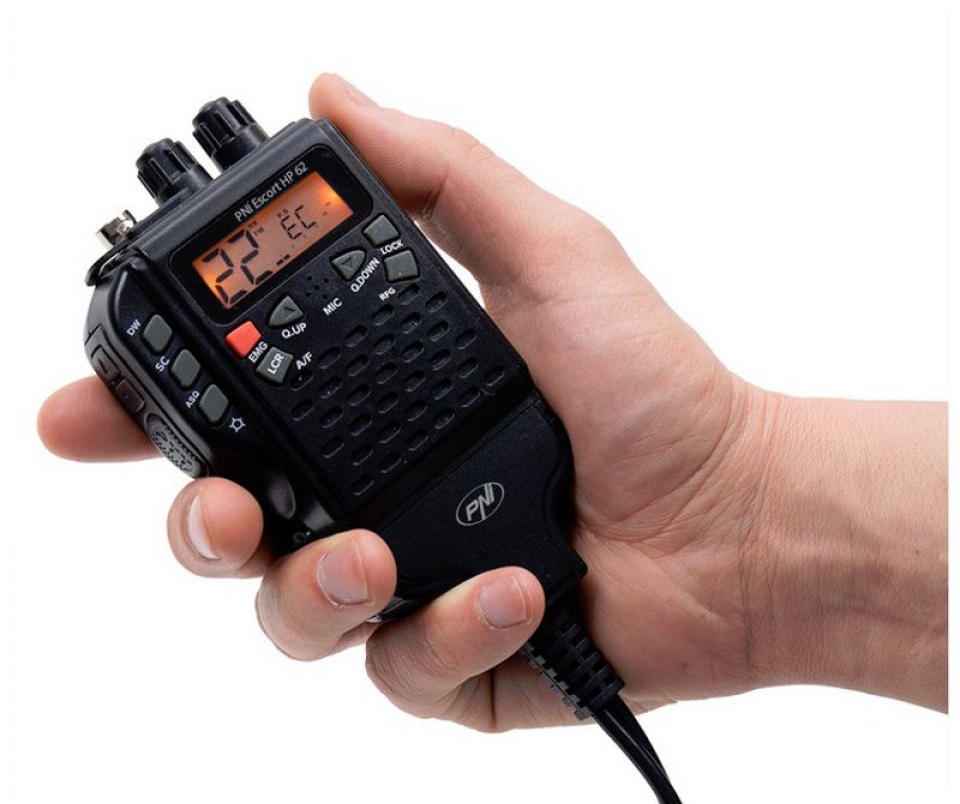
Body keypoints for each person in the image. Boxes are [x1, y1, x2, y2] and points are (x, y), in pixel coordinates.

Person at [37, 73, 947, 730]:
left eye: (294, 225)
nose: (280, 274)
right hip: (396, 505)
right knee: (251, 528)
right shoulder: (139, 301)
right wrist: (748, 546)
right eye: (240, 268)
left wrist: (734, 492)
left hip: (489, 442)